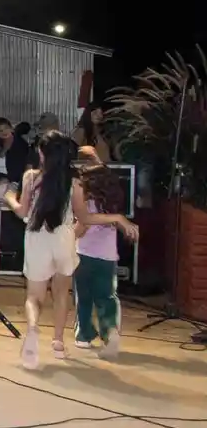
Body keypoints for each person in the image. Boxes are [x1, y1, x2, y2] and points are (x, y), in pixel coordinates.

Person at [5, 132, 137, 368]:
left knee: (34, 297)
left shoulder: (31, 177)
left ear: (42, 154)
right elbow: (84, 216)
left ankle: (33, 330)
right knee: (61, 294)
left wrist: (9, 198)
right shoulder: (74, 182)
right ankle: (57, 341)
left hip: (37, 238)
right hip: (64, 239)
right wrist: (118, 217)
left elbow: (23, 212)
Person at [73, 146, 135, 357]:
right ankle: (110, 333)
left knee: (84, 298)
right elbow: (105, 174)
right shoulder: (111, 206)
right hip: (107, 259)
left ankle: (84, 335)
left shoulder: (85, 206)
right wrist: (96, 157)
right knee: (107, 297)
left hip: (82, 257)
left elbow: (79, 231)